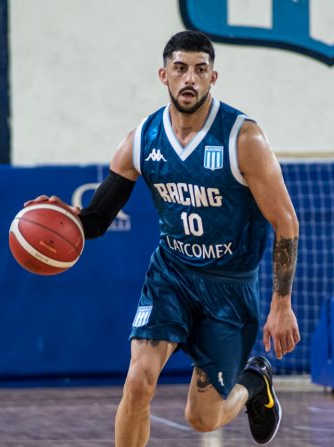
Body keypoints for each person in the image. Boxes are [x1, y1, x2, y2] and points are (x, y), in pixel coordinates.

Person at [25, 31, 301, 446]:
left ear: (213, 78)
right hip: (172, 276)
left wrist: (281, 304)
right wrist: (62, 217)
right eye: (180, 68)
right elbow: (95, 221)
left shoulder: (243, 139)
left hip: (228, 288)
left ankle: (254, 382)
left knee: (202, 418)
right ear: (163, 75)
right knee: (138, 381)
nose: (190, 78)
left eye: (200, 70)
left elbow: (286, 224)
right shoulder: (142, 139)